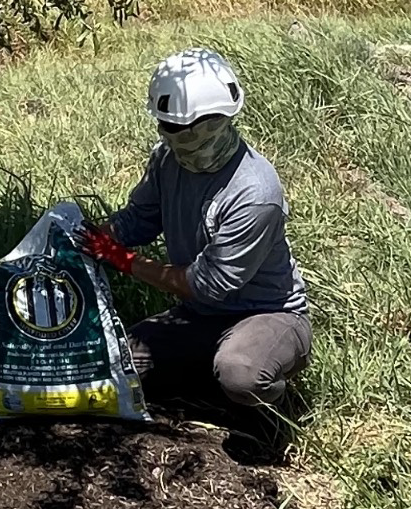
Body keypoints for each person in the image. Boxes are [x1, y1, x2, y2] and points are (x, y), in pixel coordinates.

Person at [73, 48, 312, 432]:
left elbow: (208, 285)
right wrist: (87, 237)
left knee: (242, 373)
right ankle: (208, 374)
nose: (189, 138)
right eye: (175, 129)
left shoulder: (255, 192)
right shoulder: (166, 161)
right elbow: (139, 220)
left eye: (203, 125)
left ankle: (270, 419)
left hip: (267, 313)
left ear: (228, 117)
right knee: (115, 363)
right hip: (198, 316)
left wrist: (123, 260)